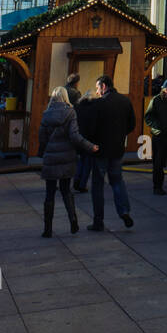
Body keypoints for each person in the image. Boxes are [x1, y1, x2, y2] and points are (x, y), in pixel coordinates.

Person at [36, 87, 98, 237]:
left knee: (49, 194)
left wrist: (42, 153)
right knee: (66, 191)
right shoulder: (70, 112)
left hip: (51, 158)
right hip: (66, 157)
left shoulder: (46, 114)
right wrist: (90, 146)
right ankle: (73, 220)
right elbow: (75, 136)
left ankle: (48, 229)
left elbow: (42, 138)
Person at [87, 74, 135, 231]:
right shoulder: (125, 101)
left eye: (97, 88)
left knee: (98, 185)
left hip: (100, 150)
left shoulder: (99, 104)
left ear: (103, 86)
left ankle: (98, 220)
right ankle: (124, 211)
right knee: (117, 181)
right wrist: (121, 135)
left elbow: (91, 128)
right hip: (117, 149)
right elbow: (131, 124)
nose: (97, 91)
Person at [73, 89, 99, 192]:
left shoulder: (77, 107)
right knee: (88, 163)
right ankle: (82, 184)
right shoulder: (95, 108)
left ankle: (76, 179)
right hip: (90, 139)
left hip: (79, 137)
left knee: (80, 161)